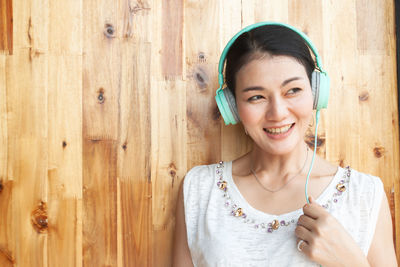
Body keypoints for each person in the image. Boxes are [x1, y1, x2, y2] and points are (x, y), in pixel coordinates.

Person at [172, 22, 398, 267]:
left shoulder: (364, 194)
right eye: (256, 97)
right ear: (233, 107)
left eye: (293, 90)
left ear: (316, 93)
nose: (277, 113)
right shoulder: (200, 190)